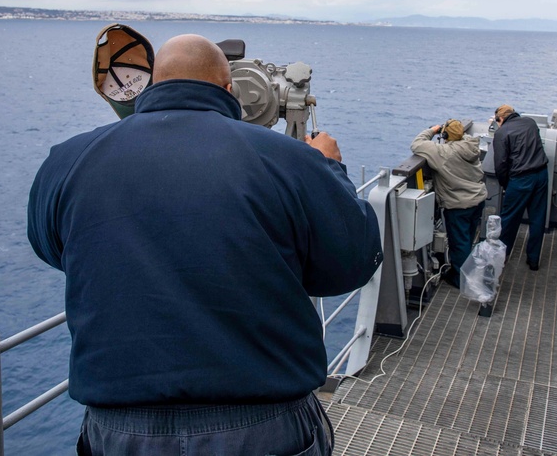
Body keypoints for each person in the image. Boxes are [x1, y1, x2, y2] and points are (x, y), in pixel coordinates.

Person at [27, 34, 383, 456]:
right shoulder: (290, 161)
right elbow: (353, 261)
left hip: (119, 431)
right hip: (262, 428)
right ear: (230, 89)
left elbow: (51, 247)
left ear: (151, 85)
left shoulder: (67, 161)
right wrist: (329, 167)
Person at [410, 119, 487, 288]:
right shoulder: (470, 145)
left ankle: (462, 279)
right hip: (477, 199)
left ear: (445, 135)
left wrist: (432, 130)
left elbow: (417, 144)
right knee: (467, 238)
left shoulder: (443, 152)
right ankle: (467, 272)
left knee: (459, 244)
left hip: (459, 205)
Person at [492, 104, 549, 271]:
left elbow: (501, 164)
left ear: (500, 119)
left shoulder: (501, 133)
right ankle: (533, 260)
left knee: (509, 220)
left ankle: (501, 258)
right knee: (537, 219)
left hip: (521, 179)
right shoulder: (530, 122)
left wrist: (506, 184)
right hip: (541, 174)